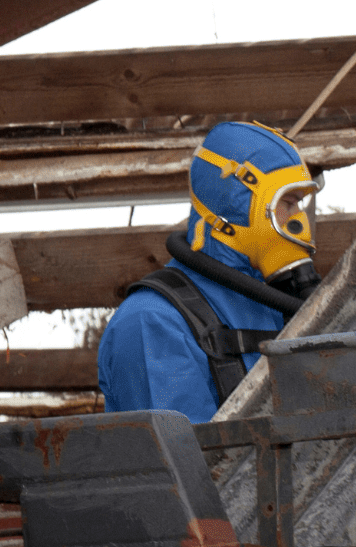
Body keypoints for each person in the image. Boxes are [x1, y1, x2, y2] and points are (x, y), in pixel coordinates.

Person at [97, 119, 323, 419]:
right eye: (287, 203)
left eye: (300, 205)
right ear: (237, 202)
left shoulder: (274, 303)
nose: (299, 222)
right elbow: (189, 459)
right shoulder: (152, 322)